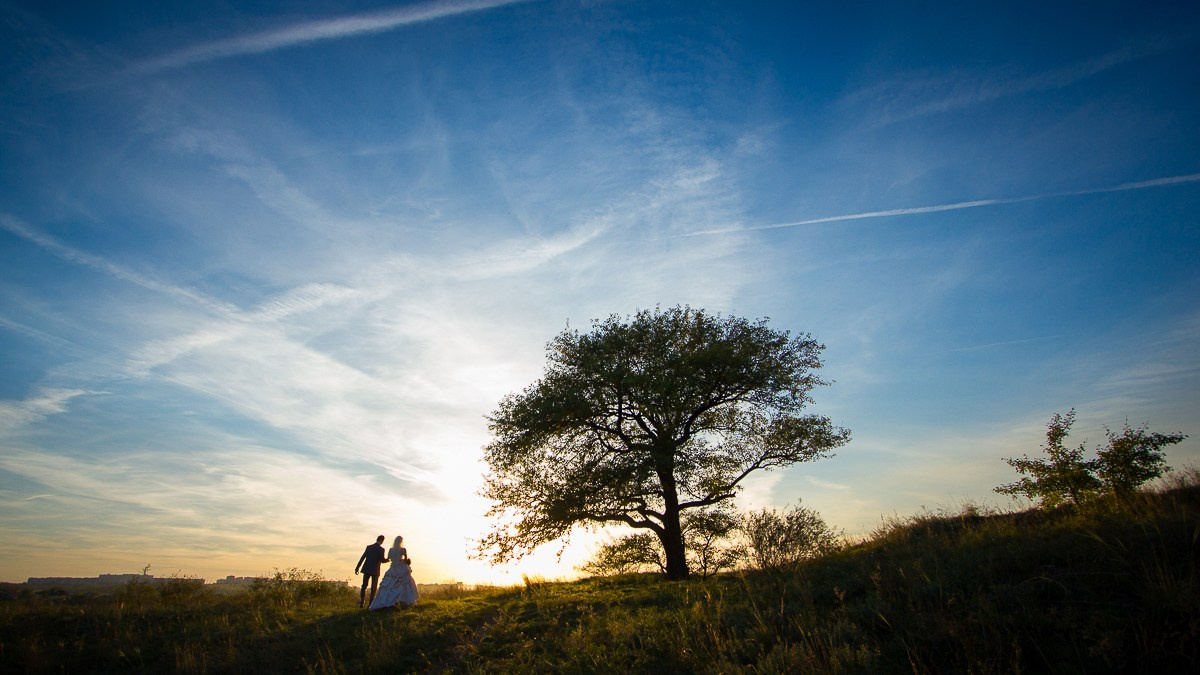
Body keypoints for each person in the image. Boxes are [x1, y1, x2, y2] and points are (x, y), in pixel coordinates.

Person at [368, 535, 419, 610]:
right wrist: (404, 561)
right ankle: (404, 600)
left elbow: (389, 559)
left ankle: (387, 601)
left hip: (393, 568)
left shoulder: (391, 550)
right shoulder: (403, 550)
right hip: (401, 567)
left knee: (390, 585)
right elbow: (405, 559)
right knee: (404, 584)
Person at [355, 535, 389, 608]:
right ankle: (370, 604)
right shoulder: (381, 549)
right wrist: (388, 559)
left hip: (366, 569)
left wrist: (357, 567)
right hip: (375, 570)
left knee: (364, 586)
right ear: (382, 540)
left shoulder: (369, 547)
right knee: (373, 588)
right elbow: (382, 560)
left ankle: (362, 602)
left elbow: (362, 558)